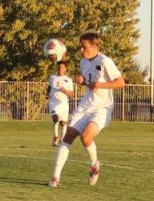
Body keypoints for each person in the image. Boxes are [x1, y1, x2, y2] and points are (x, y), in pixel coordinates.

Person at [49, 32, 125, 188]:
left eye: (84, 47)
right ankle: (55, 177)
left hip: (102, 107)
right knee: (68, 137)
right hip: (85, 105)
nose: (82, 51)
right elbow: (89, 83)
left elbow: (121, 82)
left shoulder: (105, 61)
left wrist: (101, 85)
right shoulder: (83, 62)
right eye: (80, 47)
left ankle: (95, 165)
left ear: (95, 46)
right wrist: (82, 81)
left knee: (86, 137)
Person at [47, 60, 75, 146]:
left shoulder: (68, 80)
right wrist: (47, 94)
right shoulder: (52, 78)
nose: (60, 69)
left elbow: (71, 94)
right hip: (53, 102)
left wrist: (65, 91)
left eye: (62, 67)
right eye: (59, 67)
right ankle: (55, 137)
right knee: (55, 118)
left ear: (65, 69)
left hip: (63, 104)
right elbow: (49, 87)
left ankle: (62, 140)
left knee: (63, 123)